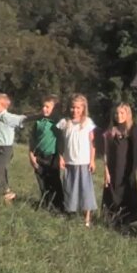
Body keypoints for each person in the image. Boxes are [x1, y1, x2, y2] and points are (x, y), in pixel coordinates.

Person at [57, 94, 97, 227]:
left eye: (78, 108)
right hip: (70, 162)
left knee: (85, 189)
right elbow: (61, 143)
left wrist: (92, 160)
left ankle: (87, 218)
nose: (75, 110)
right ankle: (71, 213)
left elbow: (92, 143)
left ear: (83, 108)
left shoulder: (87, 123)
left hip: (84, 162)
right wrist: (61, 157)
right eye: (73, 107)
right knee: (70, 189)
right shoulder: (64, 123)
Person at [102, 102, 137, 227]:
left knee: (126, 194)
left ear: (127, 114)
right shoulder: (110, 133)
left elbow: (136, 153)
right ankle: (111, 221)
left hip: (127, 170)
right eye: (116, 113)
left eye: (122, 113)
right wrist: (106, 170)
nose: (118, 115)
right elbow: (105, 153)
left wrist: (133, 170)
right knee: (112, 194)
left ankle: (126, 222)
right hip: (113, 170)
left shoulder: (132, 132)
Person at [0, 93, 27, 201]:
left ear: (4, 106)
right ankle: (6, 196)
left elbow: (22, 119)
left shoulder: (7, 117)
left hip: (5, 149)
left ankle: (7, 191)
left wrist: (41, 115)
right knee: (1, 173)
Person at [29, 95, 64, 211]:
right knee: (42, 181)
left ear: (54, 109)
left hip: (52, 156)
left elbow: (62, 139)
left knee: (54, 182)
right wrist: (31, 154)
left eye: (48, 107)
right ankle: (46, 203)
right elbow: (32, 138)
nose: (44, 109)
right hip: (39, 155)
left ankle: (58, 206)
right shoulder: (39, 121)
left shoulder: (58, 122)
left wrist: (62, 156)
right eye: (43, 106)